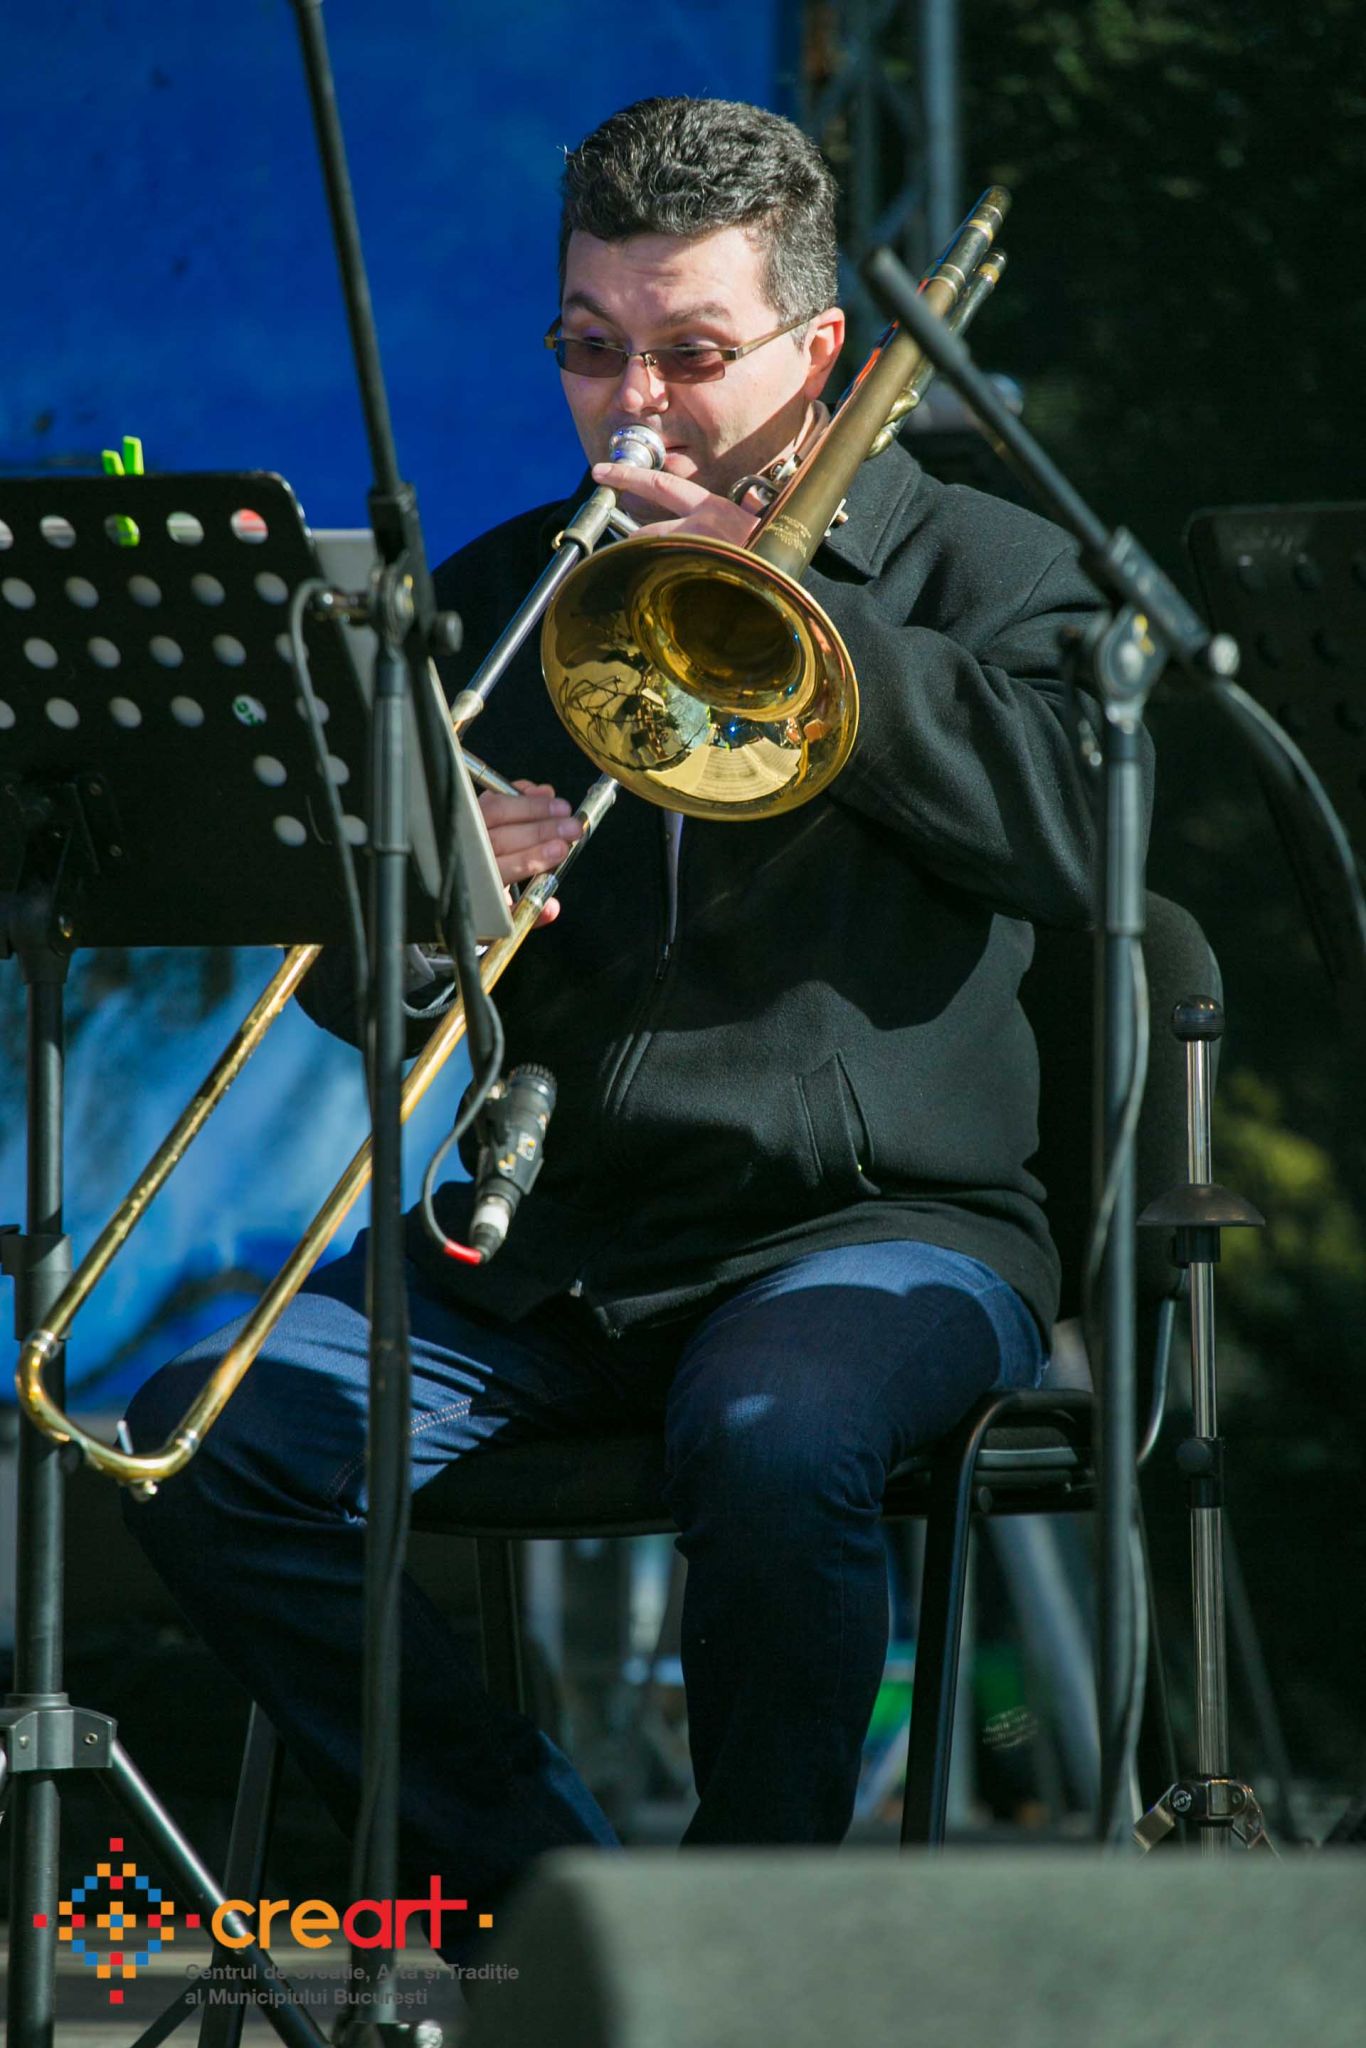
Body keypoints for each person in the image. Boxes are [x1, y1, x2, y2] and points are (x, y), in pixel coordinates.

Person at [124, 97, 1136, 1939]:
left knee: (773, 1432)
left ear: (818, 352)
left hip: (879, 1235)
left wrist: (810, 629)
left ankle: (747, 1948)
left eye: (689, 353)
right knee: (205, 1445)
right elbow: (364, 997)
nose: (634, 407)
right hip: (555, 1253)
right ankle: (549, 1911)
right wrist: (438, 907)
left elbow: (1087, 842)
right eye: (591, 349)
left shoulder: (987, 574)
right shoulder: (503, 593)